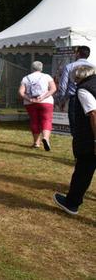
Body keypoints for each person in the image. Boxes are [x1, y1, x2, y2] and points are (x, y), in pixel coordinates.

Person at [53, 65, 96, 215]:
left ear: (78, 78)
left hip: (89, 139)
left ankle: (72, 203)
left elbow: (93, 114)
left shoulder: (84, 89)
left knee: (83, 171)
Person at [19, 61, 56, 150]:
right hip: (46, 102)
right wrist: (43, 97)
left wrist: (29, 99)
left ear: (32, 68)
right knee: (46, 120)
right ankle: (46, 138)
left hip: (30, 103)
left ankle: (36, 143)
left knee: (34, 121)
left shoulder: (25, 78)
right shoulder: (47, 76)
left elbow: (21, 92)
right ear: (41, 68)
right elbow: (53, 89)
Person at [56, 46, 94, 129]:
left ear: (78, 54)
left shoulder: (70, 66)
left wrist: (61, 100)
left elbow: (63, 85)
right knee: (89, 124)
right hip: (90, 98)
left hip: (75, 99)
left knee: (75, 125)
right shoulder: (93, 67)